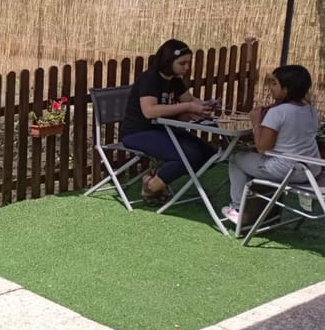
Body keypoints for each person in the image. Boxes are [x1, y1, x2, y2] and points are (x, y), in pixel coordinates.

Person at [120, 39, 217, 205]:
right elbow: (149, 111)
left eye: (188, 63)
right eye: (182, 63)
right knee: (189, 156)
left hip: (165, 130)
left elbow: (190, 100)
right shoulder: (150, 79)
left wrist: (206, 105)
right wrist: (188, 107)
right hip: (138, 132)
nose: (187, 67)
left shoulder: (175, 80)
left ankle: (154, 178)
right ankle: (151, 187)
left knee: (209, 153)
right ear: (168, 61)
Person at [222, 65, 322, 224]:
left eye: (274, 83)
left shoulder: (278, 112)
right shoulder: (310, 110)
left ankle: (239, 209)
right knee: (252, 159)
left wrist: (256, 122)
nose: (270, 87)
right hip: (312, 169)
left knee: (235, 158)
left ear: (287, 90)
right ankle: (260, 208)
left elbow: (263, 148)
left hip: (286, 170)